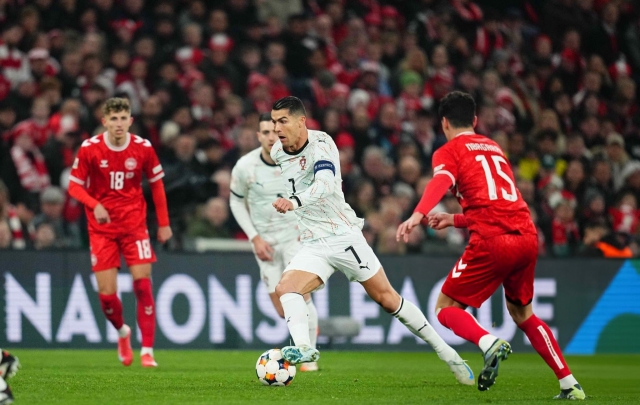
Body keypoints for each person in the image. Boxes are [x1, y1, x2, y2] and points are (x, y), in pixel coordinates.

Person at [269, 96, 474, 385]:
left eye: (283, 121)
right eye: (274, 122)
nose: (276, 128)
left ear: (301, 121)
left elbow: (325, 186)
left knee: (388, 299)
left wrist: (293, 202)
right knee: (286, 288)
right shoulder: (277, 151)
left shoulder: (322, 143)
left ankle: (449, 354)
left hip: (343, 236)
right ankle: (304, 348)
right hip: (313, 242)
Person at [396, 91, 585, 400]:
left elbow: (441, 182)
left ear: (444, 123)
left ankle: (488, 343)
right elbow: (497, 204)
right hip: (526, 236)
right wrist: (454, 220)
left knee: (445, 308)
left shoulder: (448, 151)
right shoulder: (494, 147)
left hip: (493, 241)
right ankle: (569, 383)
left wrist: (418, 213)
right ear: (474, 120)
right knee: (523, 314)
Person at [68, 98, 172, 368]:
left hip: (134, 226)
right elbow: (74, 187)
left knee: (142, 284)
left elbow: (157, 185)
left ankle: (147, 351)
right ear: (104, 121)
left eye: (123, 118)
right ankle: (123, 332)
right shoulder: (90, 148)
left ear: (130, 121)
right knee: (107, 296)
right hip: (101, 230)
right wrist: (94, 204)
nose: (118, 123)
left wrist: (163, 223)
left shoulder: (143, 147)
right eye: (113, 119)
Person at [230, 113, 319, 372]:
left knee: (300, 294)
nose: (272, 137)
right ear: (258, 136)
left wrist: (309, 227)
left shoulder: (298, 162)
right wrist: (254, 238)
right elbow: (236, 201)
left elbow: (316, 193)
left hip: (295, 237)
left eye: (275, 131)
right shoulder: (245, 166)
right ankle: (307, 344)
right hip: (265, 244)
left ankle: (309, 358)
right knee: (283, 310)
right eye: (266, 132)